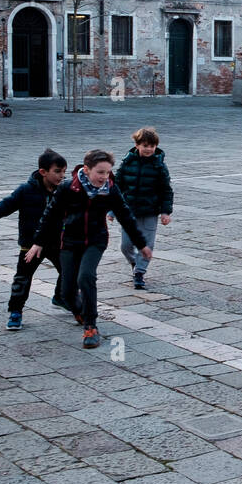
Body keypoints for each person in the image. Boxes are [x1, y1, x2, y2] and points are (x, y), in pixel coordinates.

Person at [28, 150, 150, 349]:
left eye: (107, 172)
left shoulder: (110, 189)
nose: (104, 177)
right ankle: (80, 311)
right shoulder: (68, 187)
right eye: (100, 172)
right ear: (86, 170)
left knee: (86, 276)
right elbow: (50, 215)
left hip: (96, 240)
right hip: (69, 242)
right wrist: (38, 241)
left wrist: (141, 243)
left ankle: (91, 327)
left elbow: (125, 216)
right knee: (67, 293)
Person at [0, 149, 67, 331]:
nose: (62, 175)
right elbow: (8, 203)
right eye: (57, 171)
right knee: (23, 278)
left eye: (64, 171)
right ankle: (15, 311)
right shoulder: (26, 190)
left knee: (69, 272)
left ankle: (61, 297)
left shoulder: (64, 191)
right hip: (30, 243)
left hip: (57, 241)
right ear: (43, 172)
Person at [114, 127, 173, 290]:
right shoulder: (127, 162)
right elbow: (117, 187)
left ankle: (140, 272)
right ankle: (134, 262)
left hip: (150, 211)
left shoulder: (159, 166)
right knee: (125, 245)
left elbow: (166, 190)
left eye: (152, 146)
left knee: (147, 244)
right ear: (137, 145)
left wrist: (165, 211)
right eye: (145, 145)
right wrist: (111, 209)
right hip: (129, 211)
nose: (149, 149)